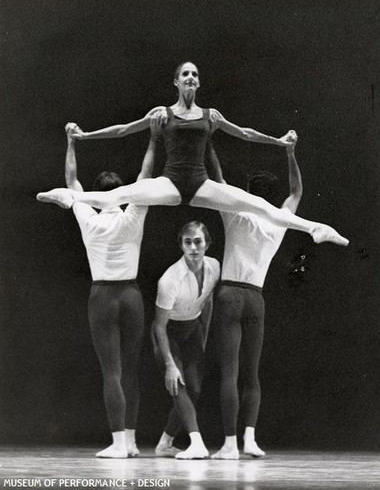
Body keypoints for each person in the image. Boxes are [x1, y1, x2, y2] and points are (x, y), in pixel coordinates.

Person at [37, 61, 349, 247]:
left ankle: (314, 228)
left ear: (198, 83)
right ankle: (70, 196)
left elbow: (244, 133)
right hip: (171, 182)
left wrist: (279, 142)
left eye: (194, 75)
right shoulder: (162, 113)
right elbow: (122, 130)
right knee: (119, 194)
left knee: (256, 205)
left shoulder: (210, 115)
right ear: (176, 81)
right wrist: (85, 135)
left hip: (200, 184)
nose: (190, 78)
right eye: (185, 74)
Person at [61, 122, 158, 458]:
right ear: (121, 192)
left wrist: (71, 143)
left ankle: (118, 443)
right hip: (132, 296)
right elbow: (144, 180)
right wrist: (154, 137)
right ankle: (129, 442)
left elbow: (72, 184)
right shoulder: (133, 215)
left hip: (103, 296)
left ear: (98, 194)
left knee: (112, 372)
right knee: (130, 369)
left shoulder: (91, 217)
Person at [211, 140, 303, 460]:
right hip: (255, 299)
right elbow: (296, 194)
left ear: (247, 193)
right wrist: (290, 153)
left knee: (230, 373)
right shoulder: (279, 219)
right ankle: (249, 439)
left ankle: (228, 444)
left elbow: (218, 180)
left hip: (231, 295)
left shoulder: (236, 213)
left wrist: (210, 139)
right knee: (252, 374)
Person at [152, 221, 220, 459]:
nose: (193, 247)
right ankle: (197, 442)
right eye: (187, 242)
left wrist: (204, 336)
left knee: (195, 389)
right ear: (181, 245)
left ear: (207, 244)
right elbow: (159, 325)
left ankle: (164, 444)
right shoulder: (170, 279)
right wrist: (170, 364)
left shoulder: (214, 266)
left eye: (198, 241)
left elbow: (208, 302)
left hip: (193, 330)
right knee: (178, 384)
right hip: (168, 332)